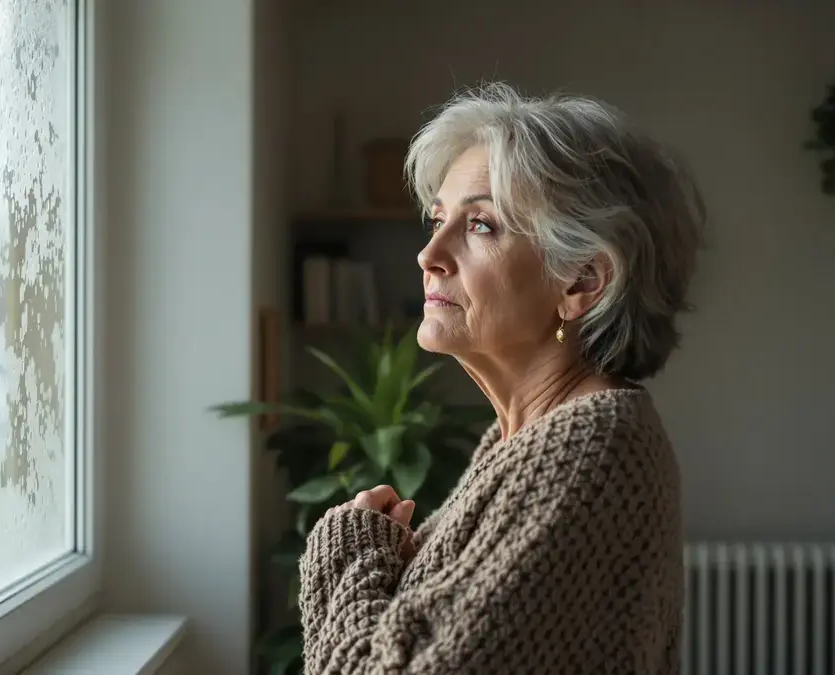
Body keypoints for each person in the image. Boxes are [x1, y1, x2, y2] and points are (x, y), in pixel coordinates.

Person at [298, 83, 705, 674]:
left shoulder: (587, 455)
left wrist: (348, 550)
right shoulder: (526, 439)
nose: (429, 254)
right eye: (439, 219)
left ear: (581, 283)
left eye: (482, 225)